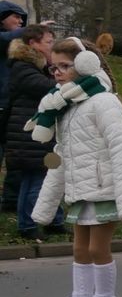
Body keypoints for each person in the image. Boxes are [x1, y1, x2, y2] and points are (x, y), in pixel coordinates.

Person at [32, 38, 122, 297]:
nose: (57, 72)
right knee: (79, 249)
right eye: (54, 67)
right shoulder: (67, 105)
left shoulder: (104, 102)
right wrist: (45, 206)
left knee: (96, 249)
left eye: (65, 66)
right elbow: (61, 158)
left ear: (86, 65)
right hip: (80, 191)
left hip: (106, 190)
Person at [4, 25, 67, 239]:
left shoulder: (37, 66)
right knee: (36, 180)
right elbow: (48, 88)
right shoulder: (23, 68)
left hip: (35, 136)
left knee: (48, 177)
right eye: (49, 42)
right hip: (29, 137)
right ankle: (28, 225)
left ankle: (53, 221)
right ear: (33, 44)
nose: (52, 46)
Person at [0, 0, 32, 211]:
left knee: (16, 155)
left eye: (22, 18)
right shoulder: (6, 39)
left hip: (13, 108)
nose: (20, 21)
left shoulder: (18, 45)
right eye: (16, 17)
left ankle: (11, 202)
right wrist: (30, 31)